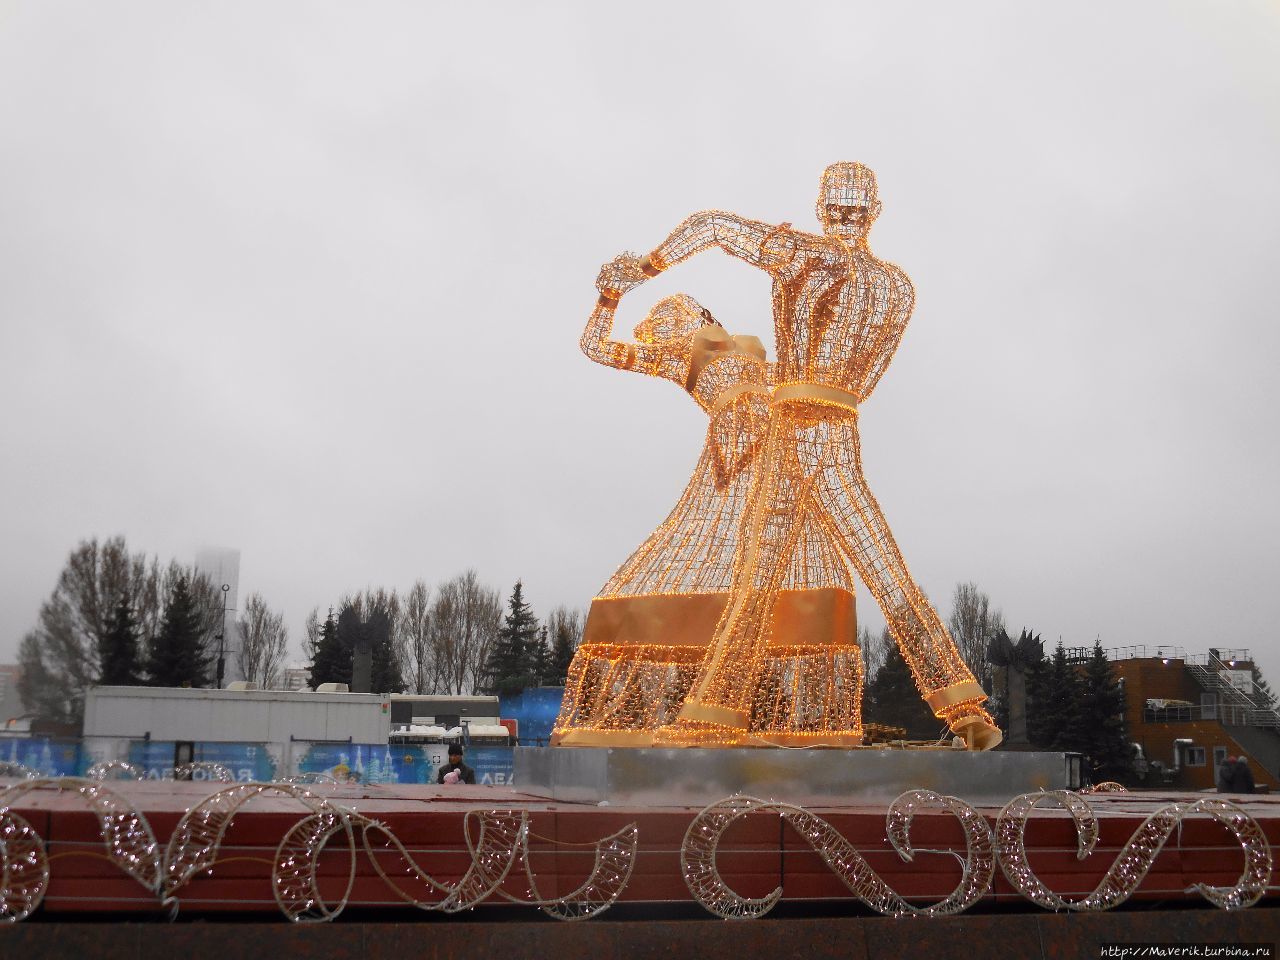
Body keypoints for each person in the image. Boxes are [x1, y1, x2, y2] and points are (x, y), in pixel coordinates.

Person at [607, 163, 999, 748]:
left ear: (824, 209)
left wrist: (644, 266)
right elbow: (871, 371)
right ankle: (963, 707)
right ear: (873, 210)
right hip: (840, 428)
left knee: (759, 577)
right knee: (882, 570)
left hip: (793, 428)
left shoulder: (804, 255)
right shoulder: (896, 286)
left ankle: (715, 709)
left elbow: (712, 225)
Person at [552, 280, 862, 747]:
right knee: (716, 556)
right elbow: (596, 346)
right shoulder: (673, 357)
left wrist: (816, 301)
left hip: (778, 448)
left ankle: (759, 713)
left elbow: (802, 373)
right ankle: (696, 708)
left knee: (777, 560)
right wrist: (607, 297)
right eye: (663, 322)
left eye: (677, 316)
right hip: (731, 452)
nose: (672, 320)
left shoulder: (749, 353)